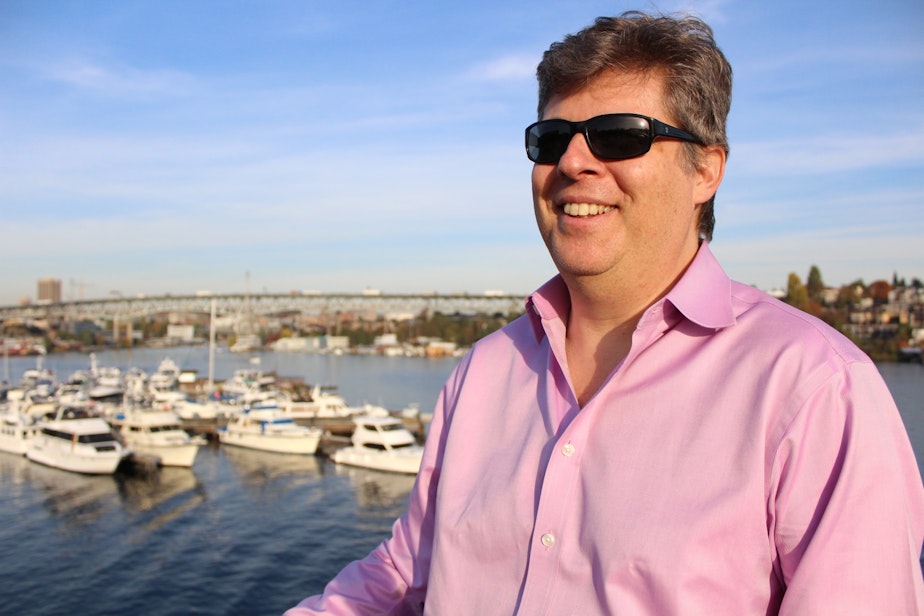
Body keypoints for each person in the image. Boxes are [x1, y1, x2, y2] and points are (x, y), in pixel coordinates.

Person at [287, 11, 924, 614]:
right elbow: (405, 575)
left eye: (620, 136)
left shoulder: (814, 391)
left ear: (706, 170)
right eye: (551, 139)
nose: (571, 162)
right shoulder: (482, 374)